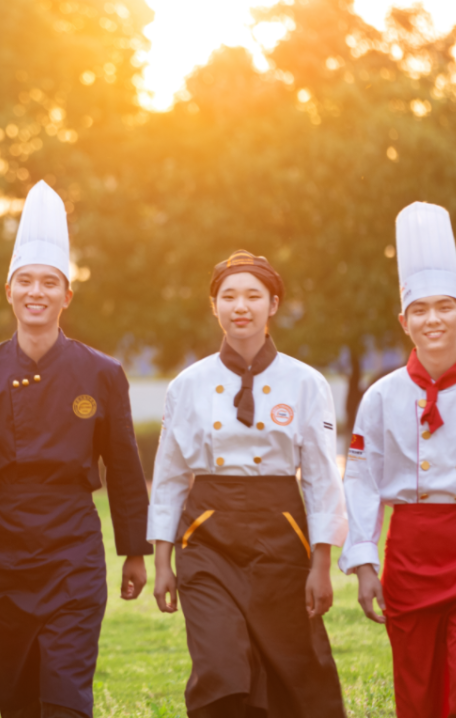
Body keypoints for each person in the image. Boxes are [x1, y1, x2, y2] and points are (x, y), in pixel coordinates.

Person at [0, 181, 150, 718]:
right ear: (8, 290)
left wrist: (134, 550)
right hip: (1, 551)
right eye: (26, 281)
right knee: (18, 699)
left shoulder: (102, 373)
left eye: (50, 282)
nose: (37, 292)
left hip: (73, 546)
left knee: (66, 696)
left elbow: (124, 466)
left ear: (67, 295)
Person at [149, 249, 348, 717]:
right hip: (206, 536)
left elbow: (321, 477)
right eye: (229, 296)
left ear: (273, 304)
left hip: (282, 533)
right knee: (221, 666)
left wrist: (321, 564)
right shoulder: (187, 384)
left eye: (253, 296)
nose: (241, 306)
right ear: (213, 305)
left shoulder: (306, 382)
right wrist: (162, 561)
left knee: (293, 666)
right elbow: (170, 477)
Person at [341, 202, 456, 717]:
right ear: (404, 321)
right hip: (410, 554)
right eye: (419, 310)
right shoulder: (381, 396)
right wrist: (364, 561)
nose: (432, 319)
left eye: (444, 307)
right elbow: (362, 480)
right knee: (418, 696)